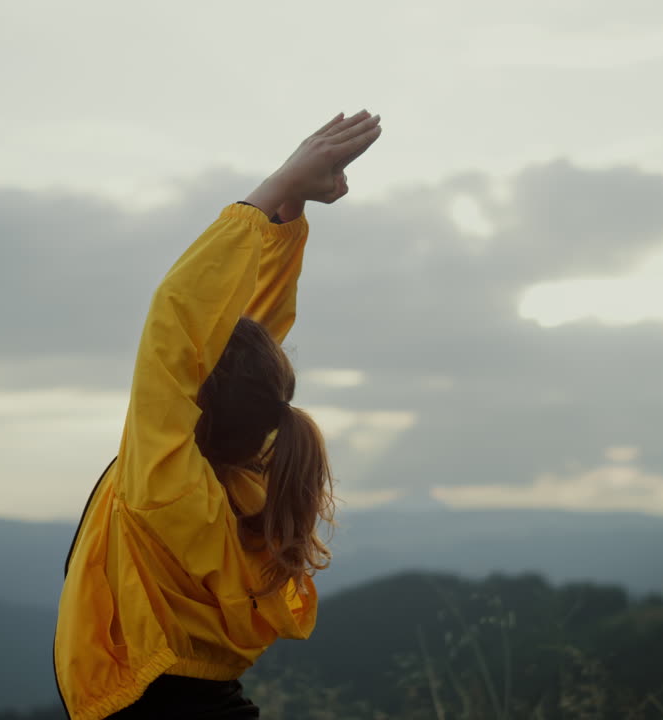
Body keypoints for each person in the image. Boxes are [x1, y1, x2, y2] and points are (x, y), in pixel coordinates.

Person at [54, 110, 384, 719]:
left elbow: (177, 317)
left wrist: (276, 186)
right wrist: (286, 210)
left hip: (148, 708)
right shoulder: (245, 478)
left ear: (188, 397)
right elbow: (244, 338)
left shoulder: (168, 484)